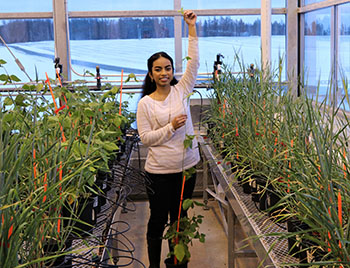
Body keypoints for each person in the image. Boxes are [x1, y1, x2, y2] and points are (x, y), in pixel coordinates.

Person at [136, 10, 199, 268]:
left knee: (180, 220)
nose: (164, 73)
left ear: (173, 71)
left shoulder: (181, 90)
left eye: (168, 68)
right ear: (151, 74)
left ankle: (177, 262)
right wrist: (171, 127)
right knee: (157, 219)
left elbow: (193, 61)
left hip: (186, 169)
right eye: (158, 69)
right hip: (159, 173)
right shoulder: (145, 104)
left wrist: (191, 28)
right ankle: (153, 265)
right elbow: (146, 139)